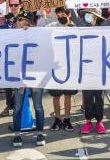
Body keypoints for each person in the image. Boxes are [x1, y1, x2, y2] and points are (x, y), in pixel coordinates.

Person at [11, 14, 46, 147]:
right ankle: (17, 134)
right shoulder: (11, 39)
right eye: (19, 25)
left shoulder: (37, 38)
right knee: (18, 107)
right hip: (19, 77)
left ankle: (40, 133)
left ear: (30, 25)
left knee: (38, 106)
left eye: (25, 25)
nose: (22, 27)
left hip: (35, 76)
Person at [78, 8, 108, 134]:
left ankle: (99, 121)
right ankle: (88, 121)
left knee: (99, 97)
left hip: (99, 68)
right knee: (88, 96)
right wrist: (68, 2)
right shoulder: (82, 27)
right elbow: (74, 16)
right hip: (86, 69)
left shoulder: (103, 28)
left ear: (96, 17)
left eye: (91, 15)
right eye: (87, 15)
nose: (88, 17)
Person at [47, 8, 76, 132]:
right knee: (56, 95)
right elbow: (38, 30)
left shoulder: (74, 27)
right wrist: (44, 16)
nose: (61, 16)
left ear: (69, 14)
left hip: (70, 65)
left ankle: (67, 118)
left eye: (64, 14)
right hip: (55, 66)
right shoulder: (52, 25)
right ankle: (58, 119)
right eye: (59, 14)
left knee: (68, 95)